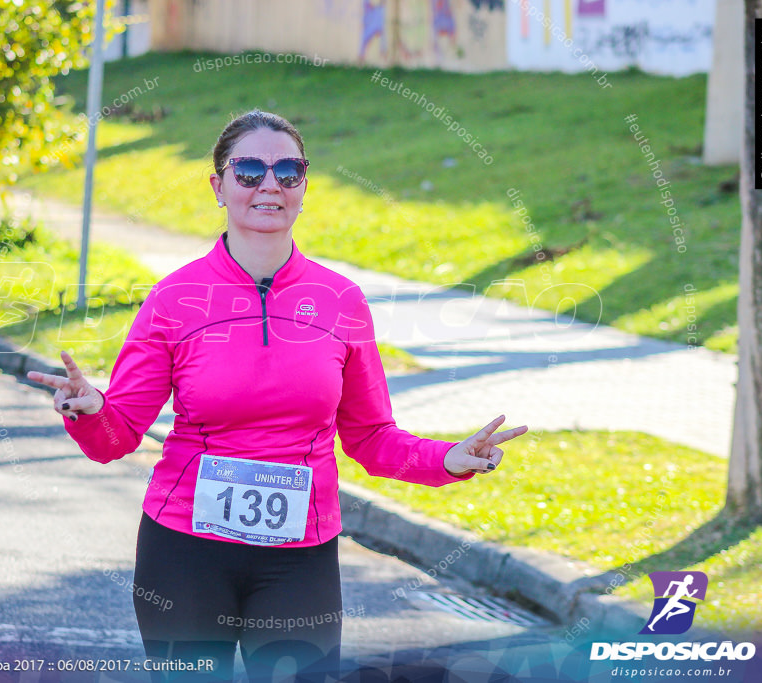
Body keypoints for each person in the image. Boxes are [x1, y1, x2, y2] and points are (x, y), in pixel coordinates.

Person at [29, 110, 528, 682]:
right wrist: (92, 411)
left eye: (288, 171)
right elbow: (115, 439)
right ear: (219, 186)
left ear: (303, 187)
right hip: (184, 554)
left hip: (300, 560)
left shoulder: (341, 300)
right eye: (249, 170)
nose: (270, 184)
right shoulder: (175, 299)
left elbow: (369, 437)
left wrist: (446, 458)